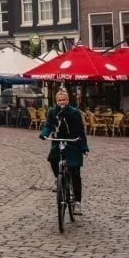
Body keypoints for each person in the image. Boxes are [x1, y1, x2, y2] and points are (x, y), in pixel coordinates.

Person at [40, 87, 90, 215]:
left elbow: (80, 130)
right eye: (59, 100)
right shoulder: (52, 112)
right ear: (56, 101)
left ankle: (77, 202)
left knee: (75, 172)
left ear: (68, 100)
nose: (62, 102)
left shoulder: (74, 112)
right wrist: (44, 134)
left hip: (73, 142)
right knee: (52, 159)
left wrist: (84, 147)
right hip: (59, 140)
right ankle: (58, 178)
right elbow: (48, 125)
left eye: (64, 99)